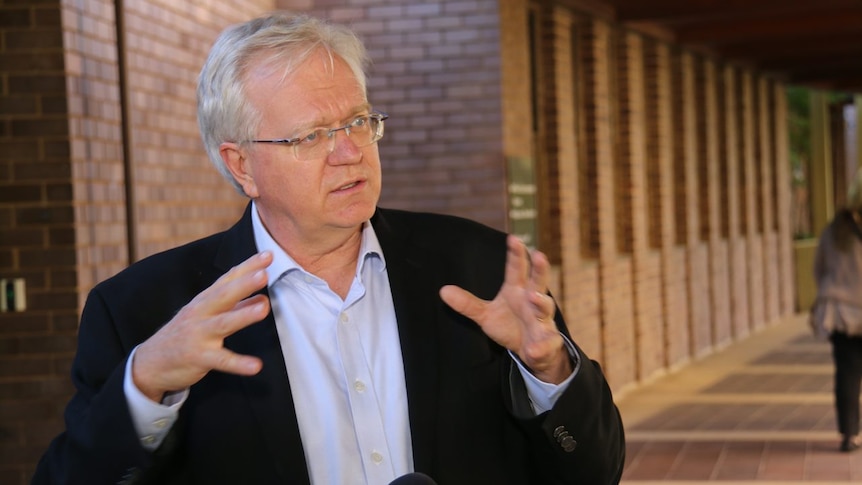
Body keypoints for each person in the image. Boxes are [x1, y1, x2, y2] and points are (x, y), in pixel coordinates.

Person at [32, 12, 625, 484]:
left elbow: (594, 471)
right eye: (312, 135)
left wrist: (552, 373)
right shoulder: (145, 311)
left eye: (359, 122)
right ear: (242, 166)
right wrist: (146, 387)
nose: (349, 152)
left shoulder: (480, 268)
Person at [812, 168, 862, 453]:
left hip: (841, 312)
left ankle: (850, 434)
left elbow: (819, 269)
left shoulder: (835, 229)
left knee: (847, 372)